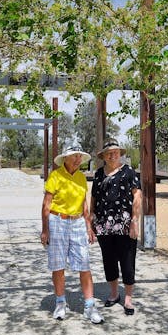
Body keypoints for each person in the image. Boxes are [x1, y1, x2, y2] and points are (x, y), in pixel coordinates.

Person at [41, 145, 104, 324]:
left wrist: (89, 227)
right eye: (74, 156)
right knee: (58, 264)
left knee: (84, 264)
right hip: (57, 221)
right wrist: (45, 229)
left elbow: (84, 205)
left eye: (79, 157)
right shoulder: (55, 176)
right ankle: (60, 302)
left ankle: (90, 306)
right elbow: (46, 205)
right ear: (65, 159)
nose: (77, 160)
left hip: (77, 222)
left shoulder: (82, 178)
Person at [91, 138, 142, 315]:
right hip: (104, 225)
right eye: (109, 153)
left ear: (120, 154)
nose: (113, 155)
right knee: (109, 260)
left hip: (125, 225)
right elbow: (94, 199)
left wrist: (135, 222)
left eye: (115, 152)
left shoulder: (129, 172)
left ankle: (128, 298)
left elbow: (137, 197)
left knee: (127, 261)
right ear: (103, 156)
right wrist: (91, 221)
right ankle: (114, 294)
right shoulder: (98, 175)